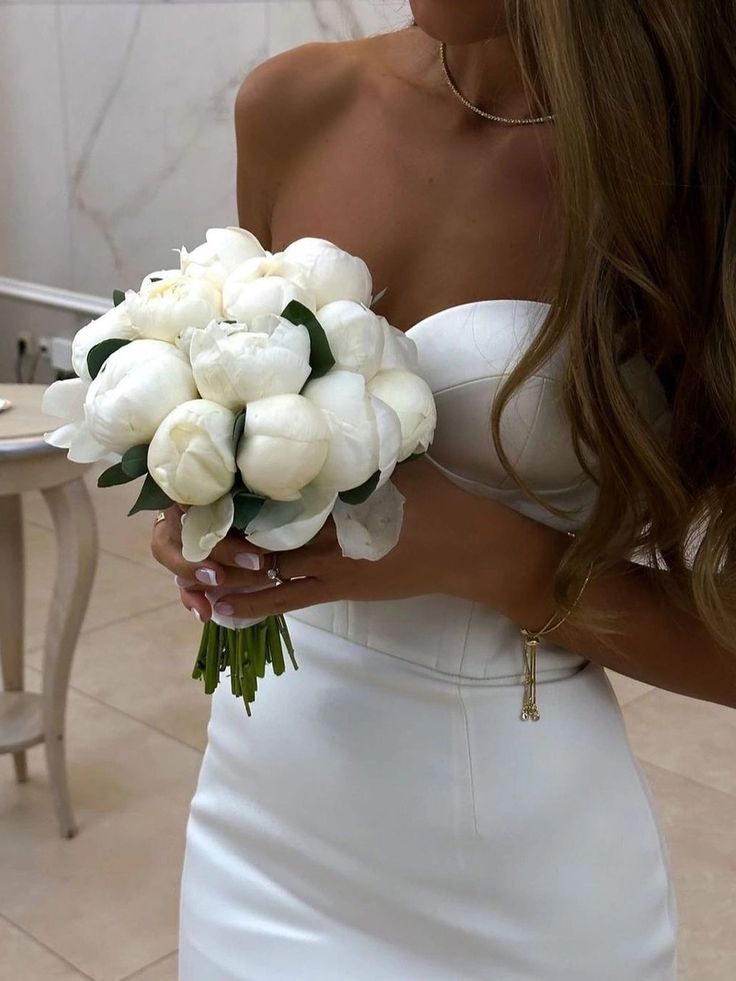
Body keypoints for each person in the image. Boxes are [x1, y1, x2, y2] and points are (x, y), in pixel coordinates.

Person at [153, 3, 736, 978]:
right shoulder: (295, 102)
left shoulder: (693, 169)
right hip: (259, 812)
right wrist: (209, 495)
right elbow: (243, 396)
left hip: (512, 873)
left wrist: (497, 558)